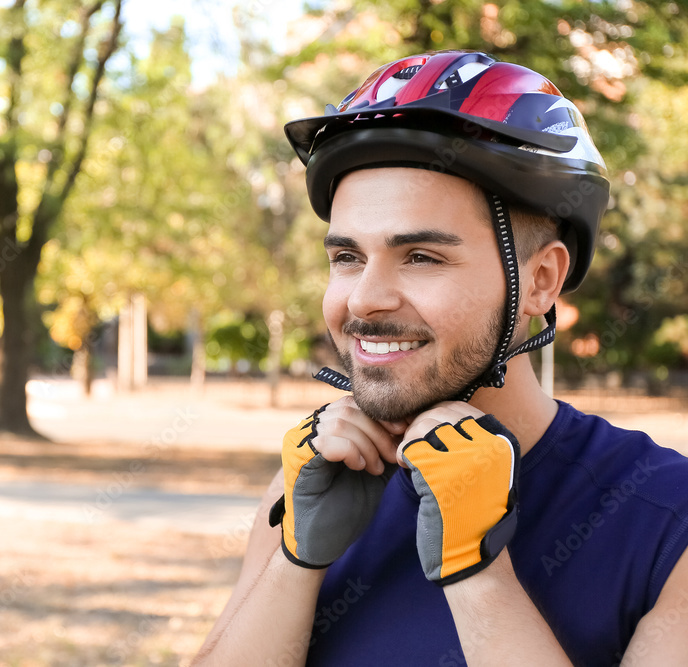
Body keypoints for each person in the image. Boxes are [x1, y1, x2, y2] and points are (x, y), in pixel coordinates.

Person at [192, 51, 688, 666]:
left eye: (422, 256)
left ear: (540, 281)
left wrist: (478, 571)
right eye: (347, 257)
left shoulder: (666, 520)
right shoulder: (314, 481)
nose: (365, 300)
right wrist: (295, 565)